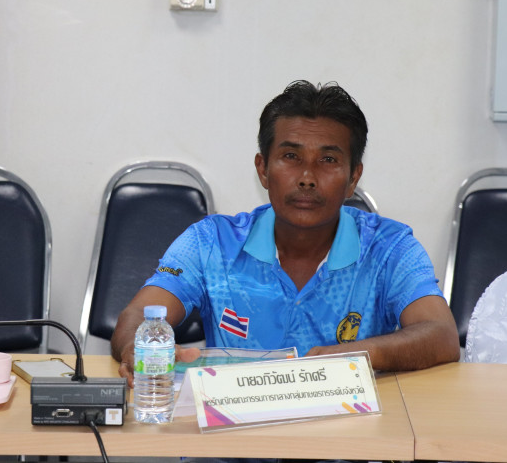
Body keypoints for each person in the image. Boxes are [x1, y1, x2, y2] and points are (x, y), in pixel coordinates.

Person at [112, 80, 459, 386]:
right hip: (231, 435)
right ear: (263, 169)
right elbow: (139, 315)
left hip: (346, 433)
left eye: (328, 160)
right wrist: (136, 347)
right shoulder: (211, 242)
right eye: (291, 156)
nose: (307, 177)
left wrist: (353, 355)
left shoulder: (389, 248)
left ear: (353, 177)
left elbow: (441, 334)